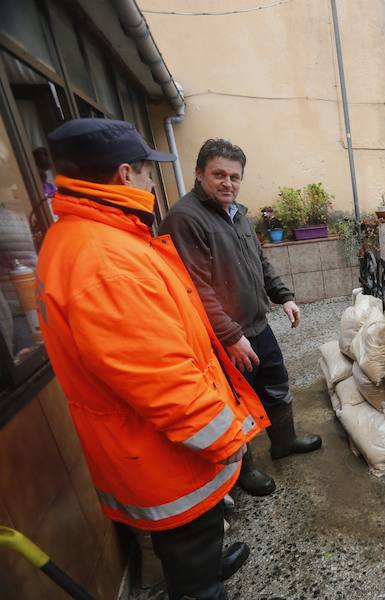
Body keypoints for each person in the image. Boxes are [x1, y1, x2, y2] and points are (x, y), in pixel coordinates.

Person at [37, 118, 269, 600]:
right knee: (190, 561)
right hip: (162, 457)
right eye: (146, 173)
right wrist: (228, 437)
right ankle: (200, 582)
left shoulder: (97, 237)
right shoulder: (104, 261)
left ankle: (206, 563)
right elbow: (161, 378)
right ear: (125, 174)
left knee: (194, 540)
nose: (150, 182)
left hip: (154, 449)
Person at [160, 139, 322, 497]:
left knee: (276, 382)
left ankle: (284, 441)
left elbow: (259, 262)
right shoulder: (185, 219)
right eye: (219, 174)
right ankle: (245, 470)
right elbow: (196, 287)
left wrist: (284, 297)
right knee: (237, 402)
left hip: (257, 325)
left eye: (234, 177)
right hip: (223, 338)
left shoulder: (238, 214)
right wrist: (230, 336)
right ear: (199, 174)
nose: (227, 183)